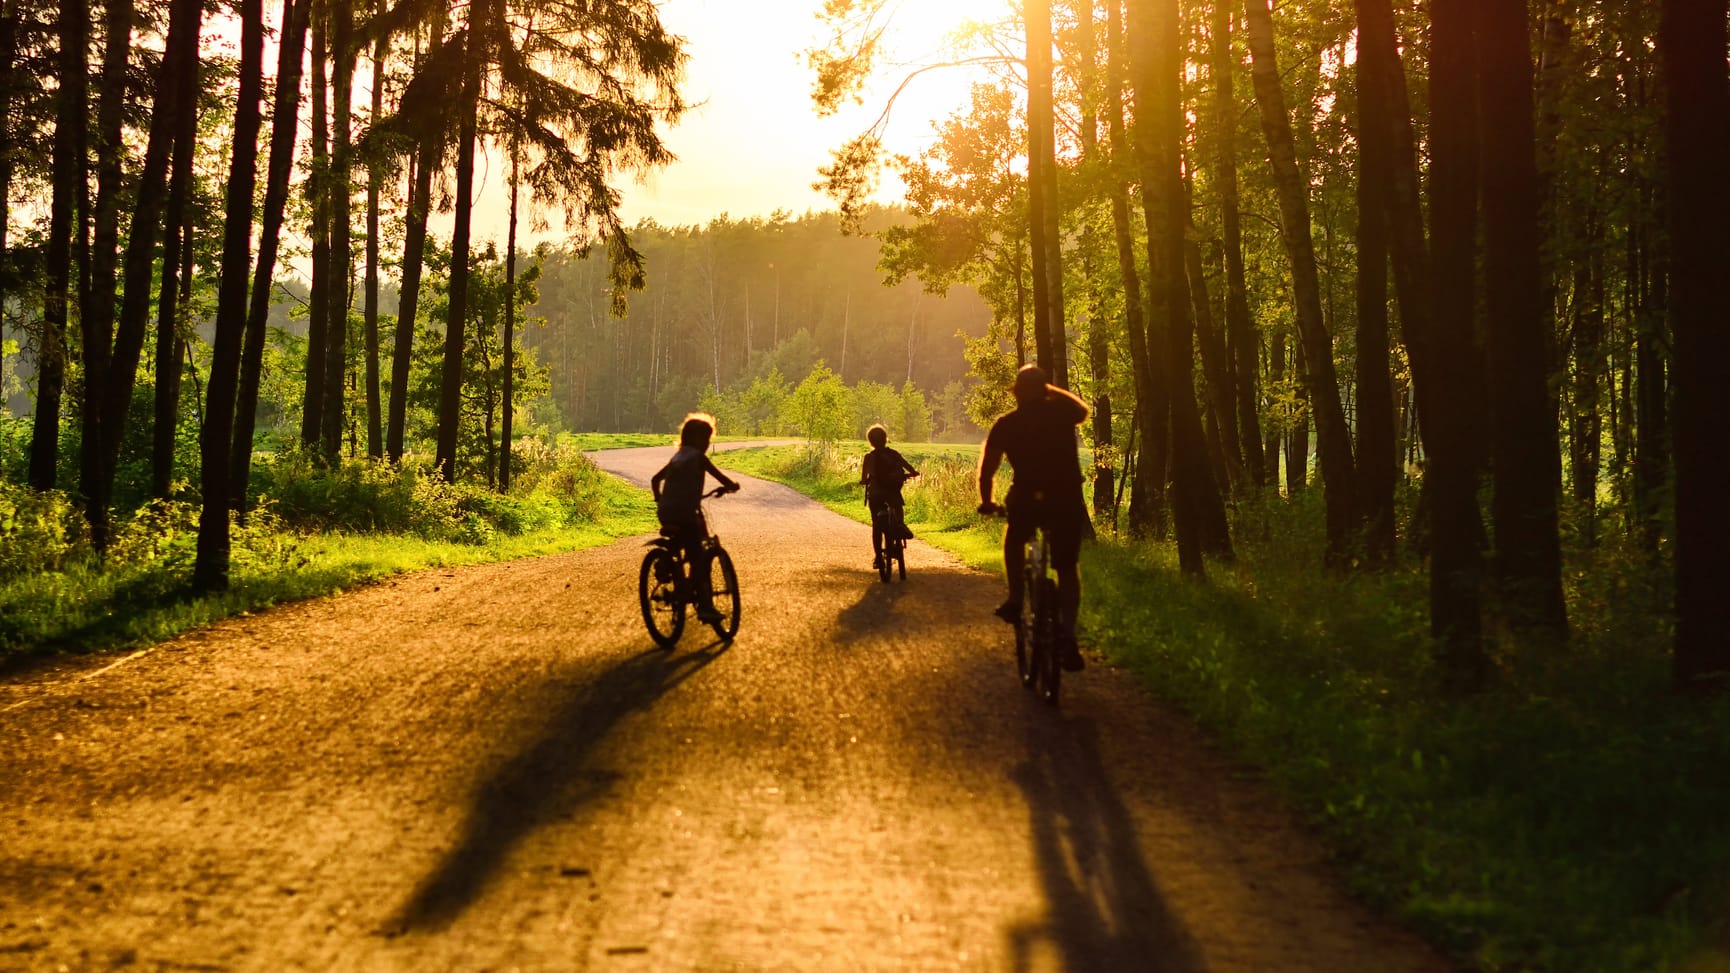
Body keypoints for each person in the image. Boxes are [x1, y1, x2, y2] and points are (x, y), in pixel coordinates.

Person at [976, 364, 1090, 671]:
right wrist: (1050, 390)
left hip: (1027, 496)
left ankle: (1015, 599)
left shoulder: (1007, 423)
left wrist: (987, 501)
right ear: (1044, 390)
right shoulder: (1062, 414)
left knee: (1015, 538)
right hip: (1065, 497)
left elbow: (988, 467)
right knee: (1067, 567)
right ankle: (1067, 635)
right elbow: (1083, 410)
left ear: (1016, 393)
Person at [651, 413, 740, 623]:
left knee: (682, 544)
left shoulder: (677, 457)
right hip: (685, 513)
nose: (708, 443)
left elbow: (655, 480)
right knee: (699, 557)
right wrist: (731, 486)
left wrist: (660, 500)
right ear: (697, 439)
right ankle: (706, 607)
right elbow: (721, 477)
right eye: (706, 439)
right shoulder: (698, 457)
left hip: (665, 512)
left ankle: (667, 567)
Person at [859, 424, 919, 569]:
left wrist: (866, 481)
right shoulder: (894, 454)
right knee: (897, 506)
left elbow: (863, 478)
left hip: (875, 494)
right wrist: (912, 473)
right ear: (886, 439)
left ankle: (878, 557)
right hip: (892, 491)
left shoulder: (869, 457)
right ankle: (900, 525)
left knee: (876, 526)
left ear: (870, 441)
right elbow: (909, 468)